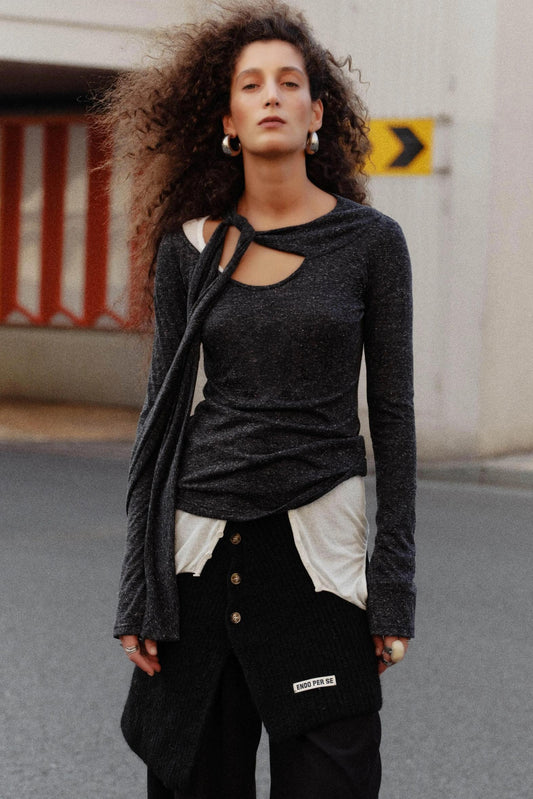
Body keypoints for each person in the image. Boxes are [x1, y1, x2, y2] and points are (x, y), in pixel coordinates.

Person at [103, 2, 416, 797]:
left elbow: (392, 418)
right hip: (199, 548)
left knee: (335, 777)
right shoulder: (187, 246)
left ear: (317, 114)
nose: (270, 94)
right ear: (227, 120)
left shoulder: (370, 243)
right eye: (250, 84)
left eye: (288, 81)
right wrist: (140, 586)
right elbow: (160, 418)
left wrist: (392, 587)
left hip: (321, 551)